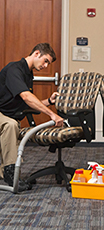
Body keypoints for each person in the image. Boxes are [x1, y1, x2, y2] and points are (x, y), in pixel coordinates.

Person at [0, 43, 64, 192]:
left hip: (6, 113)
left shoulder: (28, 74)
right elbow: (27, 97)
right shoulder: (14, 69)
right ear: (36, 53)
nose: (46, 66)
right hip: (3, 115)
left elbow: (25, 104)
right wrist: (52, 115)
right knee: (10, 125)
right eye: (45, 61)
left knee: (12, 124)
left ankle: (8, 172)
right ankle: (10, 174)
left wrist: (49, 102)